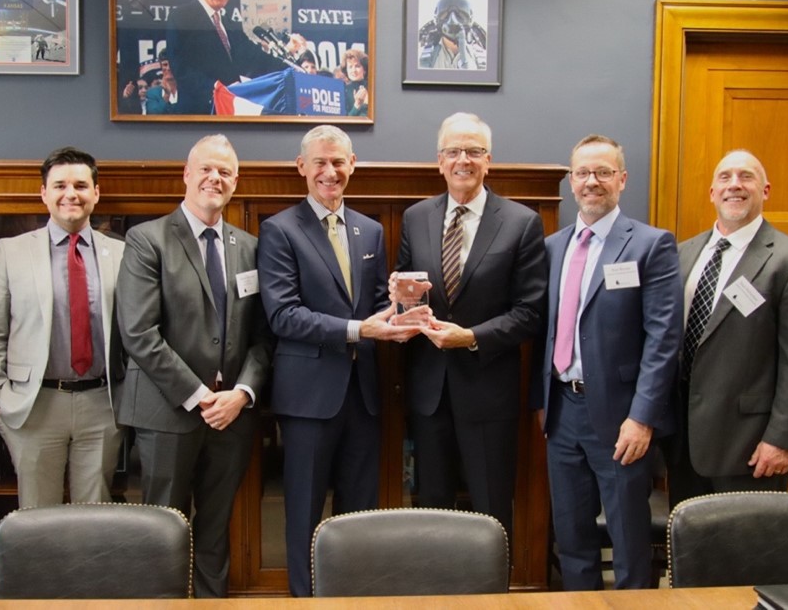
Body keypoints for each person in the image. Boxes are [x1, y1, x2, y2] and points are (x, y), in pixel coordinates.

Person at [257, 125, 419, 596]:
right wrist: (360, 329)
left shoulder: (369, 229)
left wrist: (402, 316)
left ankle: (352, 598)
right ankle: (306, 601)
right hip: (308, 399)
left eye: (339, 162)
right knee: (304, 511)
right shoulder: (279, 229)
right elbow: (284, 315)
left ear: (353, 166)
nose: (331, 172)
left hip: (364, 396)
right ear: (301, 167)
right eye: (321, 162)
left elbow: (372, 305)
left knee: (358, 514)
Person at [115, 134, 271, 598]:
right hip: (169, 413)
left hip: (233, 417)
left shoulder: (249, 247)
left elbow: (263, 339)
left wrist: (241, 394)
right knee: (163, 527)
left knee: (216, 529)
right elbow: (139, 333)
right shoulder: (147, 240)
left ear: (235, 182)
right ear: (186, 173)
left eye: (224, 172)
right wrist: (203, 398)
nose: (214, 178)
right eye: (206, 168)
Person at [531, 134, 682, 590]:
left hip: (621, 420)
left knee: (629, 540)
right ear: (570, 182)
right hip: (561, 412)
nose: (591, 182)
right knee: (572, 538)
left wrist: (642, 418)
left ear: (622, 178)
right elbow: (544, 329)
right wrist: (543, 402)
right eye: (582, 173)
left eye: (602, 172)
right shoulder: (553, 247)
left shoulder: (651, 245)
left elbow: (663, 338)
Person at [391, 112, 547, 543]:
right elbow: (410, 290)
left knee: (490, 514)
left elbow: (530, 312)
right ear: (439, 161)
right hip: (429, 393)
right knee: (433, 513)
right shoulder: (416, 217)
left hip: (488, 392)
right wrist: (401, 303)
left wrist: (472, 337)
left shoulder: (521, 222)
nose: (464, 159)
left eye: (474, 151)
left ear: (488, 159)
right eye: (455, 151)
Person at [667, 150, 788, 505]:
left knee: (745, 556)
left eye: (746, 177)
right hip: (682, 443)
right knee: (691, 551)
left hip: (751, 447)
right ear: (712, 192)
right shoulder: (682, 254)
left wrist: (782, 440)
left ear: (766, 190)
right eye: (725, 177)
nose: (734, 185)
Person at [0, 147, 124, 508]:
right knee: (37, 522)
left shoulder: (122, 253)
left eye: (80, 185)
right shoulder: (10, 253)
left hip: (102, 405)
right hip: (33, 407)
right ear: (44, 193)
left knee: (95, 518)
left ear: (96, 193)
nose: (70, 194)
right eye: (59, 185)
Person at [165, 0, 289, 114]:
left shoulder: (230, 24)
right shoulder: (182, 16)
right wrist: (216, 90)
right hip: (199, 114)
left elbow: (256, 60)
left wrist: (290, 72)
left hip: (232, 115)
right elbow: (181, 69)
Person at [418, 0, 488, 70]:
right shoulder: (420, 58)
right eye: (445, 15)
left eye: (460, 15)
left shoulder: (483, 60)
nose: (452, 20)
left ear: (469, 19)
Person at [341, 49, 368, 116]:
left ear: (364, 69)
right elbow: (345, 122)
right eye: (350, 67)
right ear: (346, 70)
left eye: (357, 66)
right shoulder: (343, 91)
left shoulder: (373, 88)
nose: (353, 70)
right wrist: (357, 105)